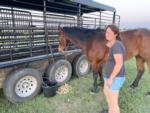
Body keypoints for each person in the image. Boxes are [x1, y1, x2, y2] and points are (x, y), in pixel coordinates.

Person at [101, 25, 126, 113]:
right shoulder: (113, 44)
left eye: (109, 32)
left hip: (115, 77)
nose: (106, 34)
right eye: (106, 32)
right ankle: (110, 111)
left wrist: (111, 78)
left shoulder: (116, 46)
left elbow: (119, 64)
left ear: (115, 34)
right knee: (106, 92)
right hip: (109, 76)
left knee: (113, 103)